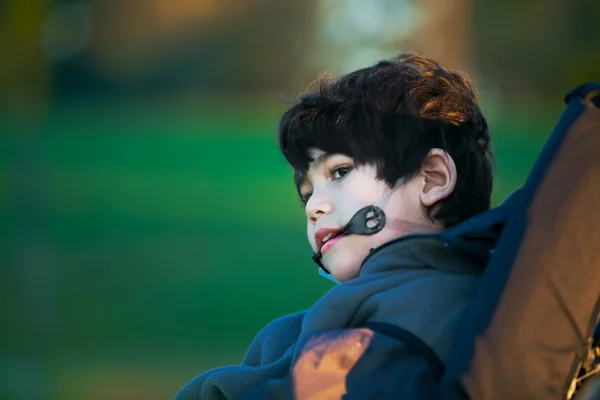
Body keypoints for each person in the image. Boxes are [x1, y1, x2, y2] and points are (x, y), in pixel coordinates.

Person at [174, 51, 495, 400]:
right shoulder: (287, 336)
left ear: (432, 179)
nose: (314, 207)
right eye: (307, 194)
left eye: (340, 172)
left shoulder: (444, 314)